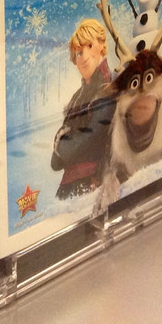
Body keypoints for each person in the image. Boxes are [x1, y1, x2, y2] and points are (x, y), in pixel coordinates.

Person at [50, 19, 116, 199]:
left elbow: (94, 134)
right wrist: (60, 150)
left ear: (101, 45)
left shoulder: (108, 85)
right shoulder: (78, 96)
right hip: (70, 185)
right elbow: (55, 163)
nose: (83, 56)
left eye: (89, 46)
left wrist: (62, 149)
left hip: (93, 182)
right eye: (78, 53)